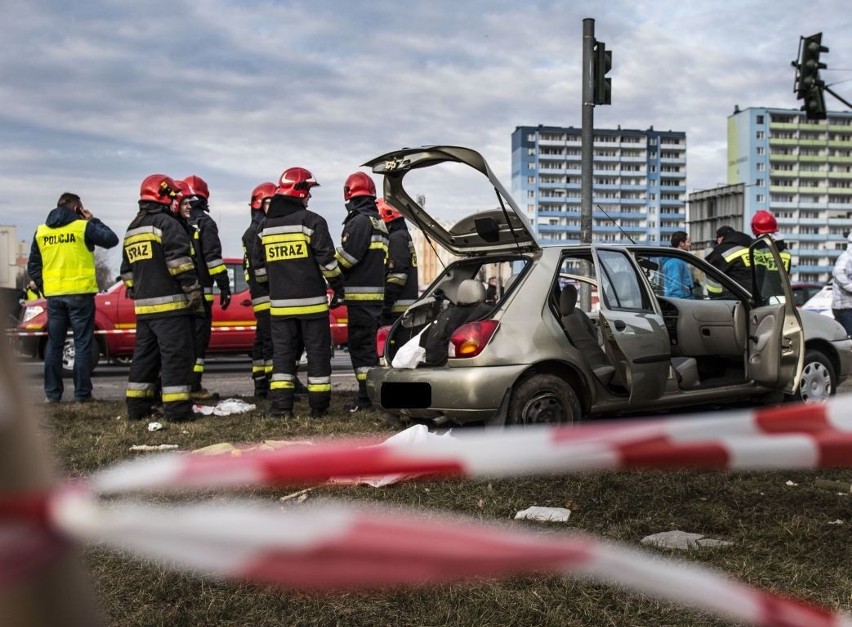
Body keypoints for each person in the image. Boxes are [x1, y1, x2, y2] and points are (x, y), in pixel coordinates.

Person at [252, 167, 343, 419]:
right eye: (309, 191)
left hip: (280, 307)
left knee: (282, 359)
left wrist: (278, 286)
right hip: (312, 306)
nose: (310, 197)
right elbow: (328, 265)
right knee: (317, 357)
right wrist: (339, 286)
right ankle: (319, 409)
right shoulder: (312, 221)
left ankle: (281, 409)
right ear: (300, 191)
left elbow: (259, 272)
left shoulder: (264, 227)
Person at [120, 174, 201, 422]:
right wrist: (193, 290)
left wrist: (140, 291)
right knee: (175, 357)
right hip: (172, 307)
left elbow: (127, 272)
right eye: (176, 197)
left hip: (145, 310)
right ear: (165, 197)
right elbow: (179, 262)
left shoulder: (132, 228)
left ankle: (137, 408)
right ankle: (177, 412)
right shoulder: (167, 224)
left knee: (144, 358)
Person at [27, 192, 118, 403]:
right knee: (83, 343)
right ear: (77, 208)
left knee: (54, 345)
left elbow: (33, 266)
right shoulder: (83, 227)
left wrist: (46, 288)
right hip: (80, 295)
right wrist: (92, 219)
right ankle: (82, 395)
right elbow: (111, 240)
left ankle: (52, 395)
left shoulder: (41, 232)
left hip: (54, 297)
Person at [336, 172, 389, 412]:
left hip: (360, 299)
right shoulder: (379, 222)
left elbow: (348, 259)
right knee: (368, 349)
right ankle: (368, 396)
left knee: (361, 350)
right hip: (375, 296)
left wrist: (326, 262)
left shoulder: (359, 221)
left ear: (350, 194)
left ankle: (366, 399)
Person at [181, 175, 231, 400]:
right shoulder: (205, 223)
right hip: (202, 296)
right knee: (198, 344)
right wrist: (225, 286)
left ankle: (177, 385)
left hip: (178, 296)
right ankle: (194, 386)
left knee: (179, 342)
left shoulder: (175, 222)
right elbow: (213, 259)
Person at [242, 181, 277, 398]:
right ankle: (273, 384)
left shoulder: (259, 227)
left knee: (262, 340)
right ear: (258, 204)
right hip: (265, 293)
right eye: (268, 202)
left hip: (262, 292)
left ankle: (261, 382)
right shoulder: (257, 230)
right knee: (271, 341)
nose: (272, 206)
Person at [377, 198, 419, 326]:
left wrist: (385, 306)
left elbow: (397, 276)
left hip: (396, 311)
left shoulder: (397, 238)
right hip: (402, 309)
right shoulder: (403, 235)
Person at [705, 225, 753, 297]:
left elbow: (713, 283)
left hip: (736, 299)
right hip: (758, 298)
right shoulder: (752, 246)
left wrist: (714, 299)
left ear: (720, 239)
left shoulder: (721, 251)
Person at [660, 231, 694, 298]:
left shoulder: (679, 260)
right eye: (688, 241)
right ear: (681, 243)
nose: (690, 244)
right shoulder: (675, 262)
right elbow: (675, 289)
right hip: (681, 304)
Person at [831, 232, 852, 336]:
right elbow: (838, 273)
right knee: (848, 338)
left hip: (848, 306)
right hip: (844, 307)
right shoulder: (846, 257)